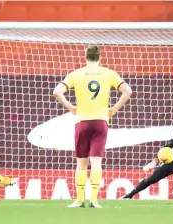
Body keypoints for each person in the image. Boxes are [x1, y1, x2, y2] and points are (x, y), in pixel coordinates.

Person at [53, 45, 133, 208]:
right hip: (101, 122)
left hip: (82, 121)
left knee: (81, 164)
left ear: (85, 57)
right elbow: (128, 91)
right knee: (96, 162)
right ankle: (94, 201)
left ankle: (79, 200)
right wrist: (114, 109)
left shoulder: (77, 74)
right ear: (99, 58)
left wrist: (70, 107)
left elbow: (56, 91)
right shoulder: (109, 73)